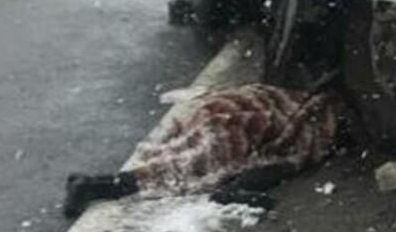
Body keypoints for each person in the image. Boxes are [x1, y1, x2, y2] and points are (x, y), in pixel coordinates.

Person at [62, 83, 351, 218]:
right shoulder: (315, 130)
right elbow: (285, 154)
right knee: (188, 169)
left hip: (227, 107)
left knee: (186, 159)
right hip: (239, 121)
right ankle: (95, 186)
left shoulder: (305, 98)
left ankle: (94, 184)